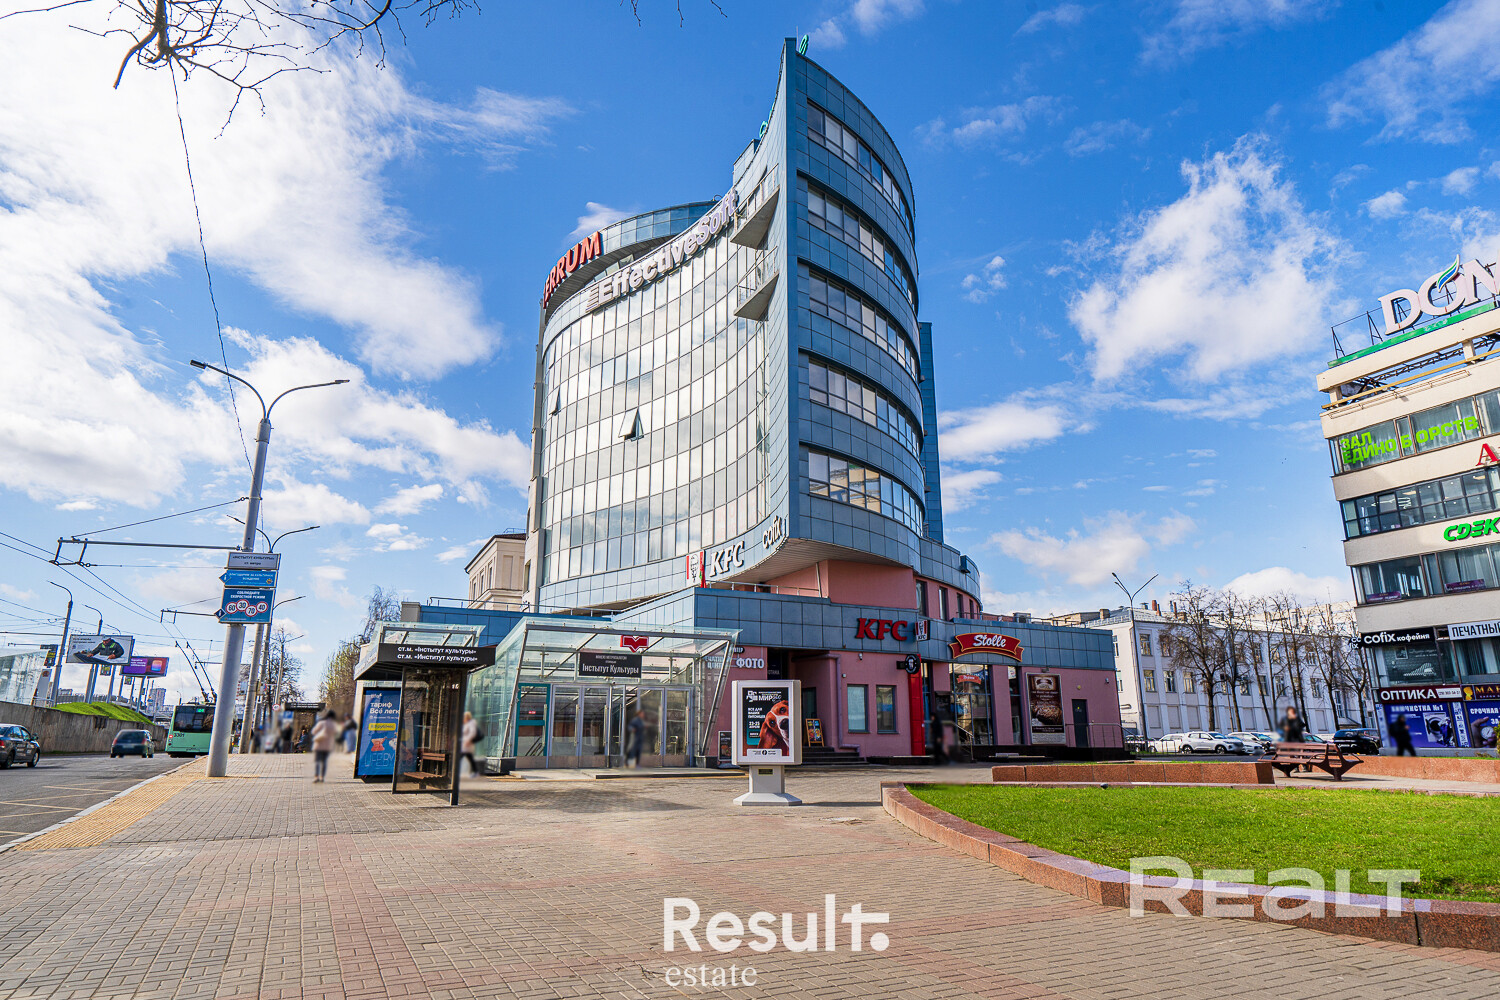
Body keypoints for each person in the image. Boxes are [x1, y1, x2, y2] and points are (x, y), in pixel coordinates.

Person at [309, 710, 340, 783]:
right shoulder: (334, 725)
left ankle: (316, 777)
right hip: (328, 746)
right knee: (324, 762)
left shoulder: (321, 723)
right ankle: (322, 777)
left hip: (319, 745)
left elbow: (313, 732)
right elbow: (336, 734)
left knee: (317, 761)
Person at [460, 711, 483, 777]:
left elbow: (472, 733)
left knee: (459, 757)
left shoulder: (471, 723)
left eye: (464, 717)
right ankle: (476, 772)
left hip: (467, 744)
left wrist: (467, 741)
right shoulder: (466, 724)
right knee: (470, 758)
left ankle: (453, 771)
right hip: (465, 744)